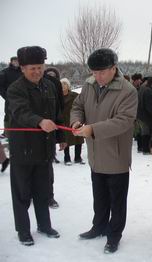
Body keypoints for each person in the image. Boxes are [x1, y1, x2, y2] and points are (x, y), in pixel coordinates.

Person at [70, 48, 138, 254]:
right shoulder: (89, 86)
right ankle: (98, 226)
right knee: (99, 196)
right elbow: (77, 106)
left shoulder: (127, 90)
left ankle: (114, 235)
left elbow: (123, 121)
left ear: (114, 68)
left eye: (101, 72)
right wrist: (76, 121)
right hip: (95, 153)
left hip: (116, 155)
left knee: (117, 200)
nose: (97, 76)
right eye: (93, 72)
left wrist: (93, 129)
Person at [7, 46, 66, 246]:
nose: (37, 71)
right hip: (23, 149)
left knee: (43, 191)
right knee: (22, 193)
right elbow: (20, 112)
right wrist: (39, 121)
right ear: (22, 68)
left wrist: (61, 136)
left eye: (40, 67)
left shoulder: (49, 86)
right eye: (32, 68)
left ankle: (44, 225)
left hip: (44, 149)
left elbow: (57, 114)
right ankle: (23, 230)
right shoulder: (15, 89)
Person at [44, 67, 64, 208]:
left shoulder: (53, 84)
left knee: (47, 168)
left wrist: (61, 137)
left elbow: (59, 112)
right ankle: (32, 195)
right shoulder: (19, 85)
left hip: (49, 135)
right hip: (29, 136)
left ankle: (49, 196)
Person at [60, 78, 85, 166]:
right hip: (63, 121)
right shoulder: (58, 97)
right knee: (65, 139)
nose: (63, 86)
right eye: (61, 84)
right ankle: (67, 158)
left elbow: (82, 105)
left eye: (65, 84)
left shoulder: (75, 95)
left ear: (68, 86)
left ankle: (78, 157)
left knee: (78, 139)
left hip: (74, 119)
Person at [0, 56, 22, 138]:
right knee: (8, 116)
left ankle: (19, 132)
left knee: (21, 115)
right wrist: (6, 96)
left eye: (17, 61)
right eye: (14, 61)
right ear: (11, 62)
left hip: (22, 98)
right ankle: (6, 133)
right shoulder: (5, 72)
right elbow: (1, 86)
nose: (16, 62)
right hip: (10, 99)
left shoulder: (22, 71)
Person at [137, 76, 152, 154]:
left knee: (142, 132)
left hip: (140, 114)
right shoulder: (149, 91)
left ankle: (141, 147)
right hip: (146, 115)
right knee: (147, 132)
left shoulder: (143, 88)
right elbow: (149, 106)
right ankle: (146, 149)